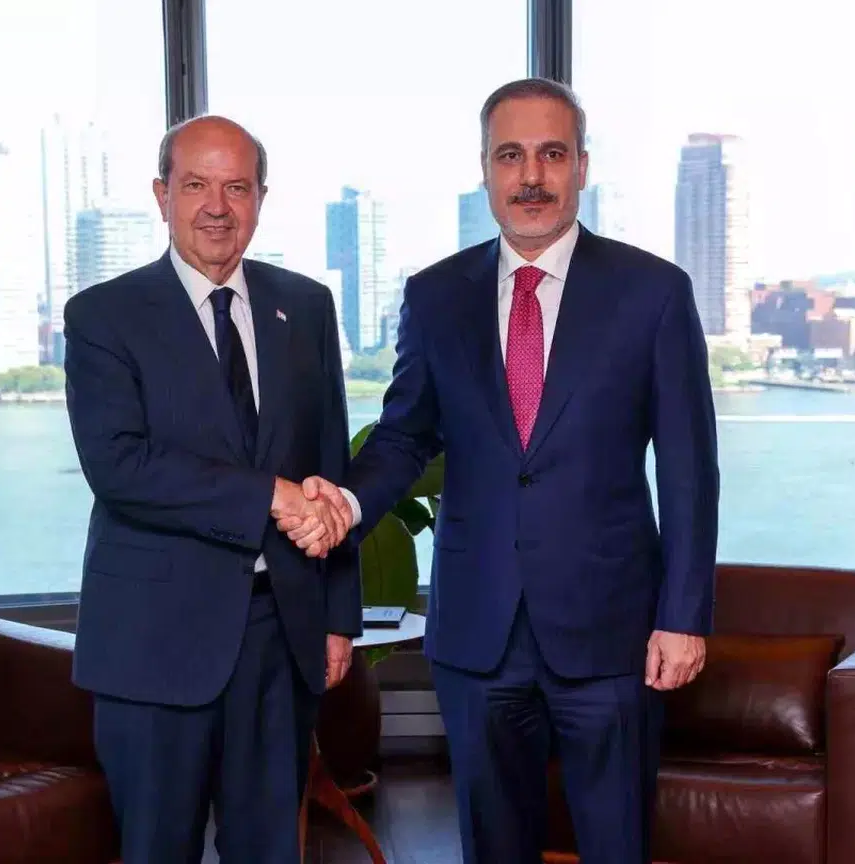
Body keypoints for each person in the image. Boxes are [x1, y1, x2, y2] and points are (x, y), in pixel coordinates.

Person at [290, 78, 720, 863]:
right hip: (477, 633)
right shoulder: (435, 296)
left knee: (617, 845)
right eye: (511, 155)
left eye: (551, 154)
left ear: (581, 166)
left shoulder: (653, 293)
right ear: (485, 169)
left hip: (612, 633)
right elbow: (404, 437)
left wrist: (683, 614)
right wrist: (347, 502)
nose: (531, 176)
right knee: (493, 847)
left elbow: (690, 469)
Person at [62, 114, 361, 864]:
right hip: (154, 641)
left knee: (270, 850)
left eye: (237, 187)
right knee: (157, 848)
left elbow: (329, 464)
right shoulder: (103, 316)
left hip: (279, 635)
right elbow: (120, 468)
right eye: (196, 185)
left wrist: (337, 618)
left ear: (261, 198)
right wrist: (269, 496)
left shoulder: (307, 306)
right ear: (161, 194)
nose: (217, 207)